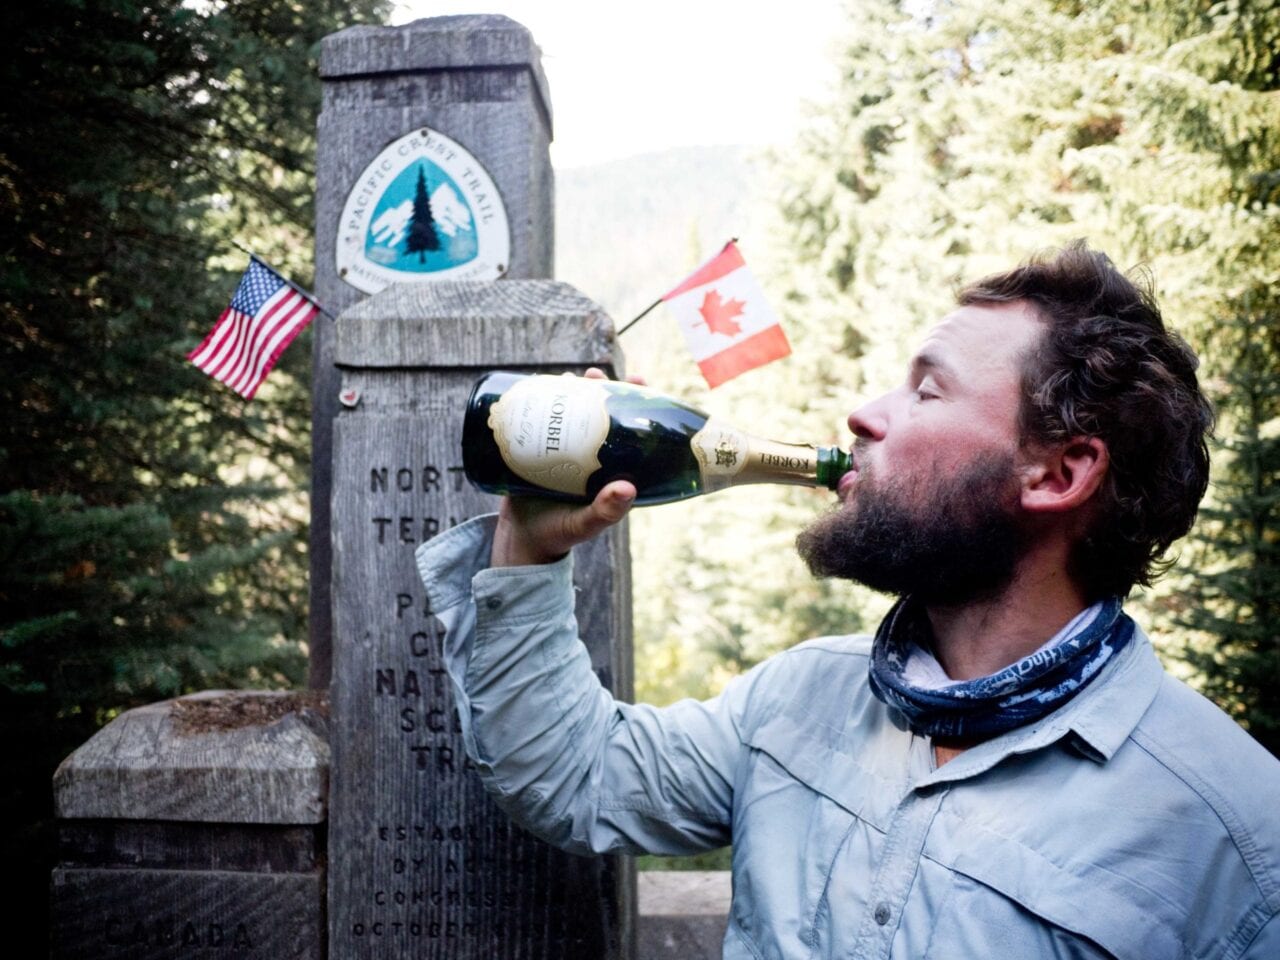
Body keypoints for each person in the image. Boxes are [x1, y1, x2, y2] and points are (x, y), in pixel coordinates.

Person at [415, 241, 1280, 959]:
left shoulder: (1234, 831)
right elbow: (578, 775)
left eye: (926, 390)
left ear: (1058, 473)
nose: (865, 414)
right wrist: (526, 551)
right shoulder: (799, 697)